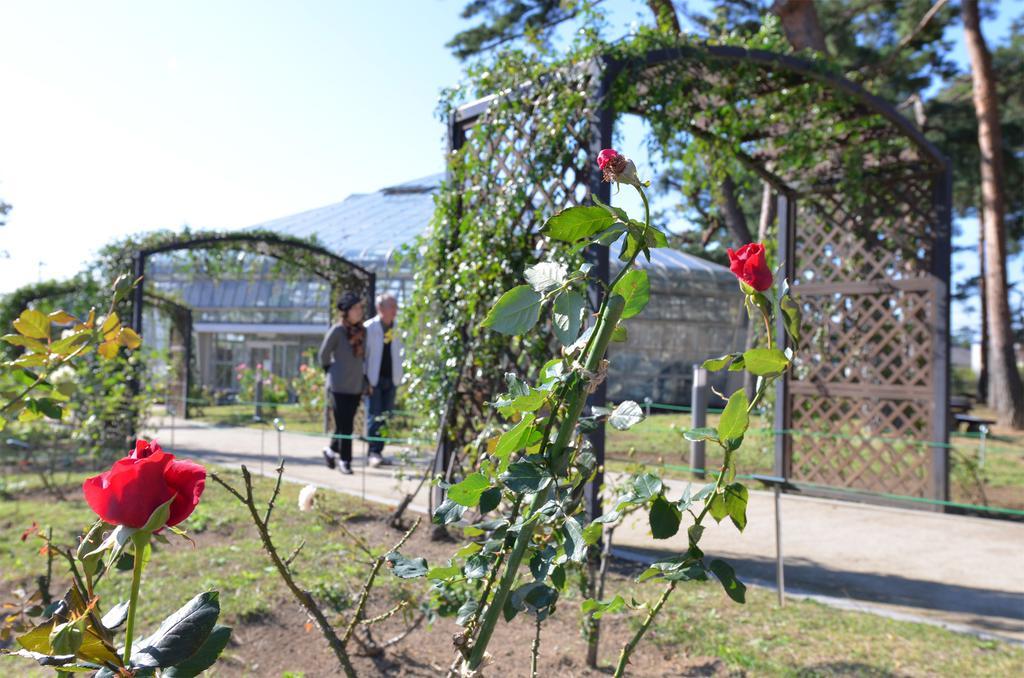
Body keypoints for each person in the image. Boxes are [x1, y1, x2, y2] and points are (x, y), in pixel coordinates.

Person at [319, 291, 367, 475]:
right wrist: (331, 371)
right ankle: (345, 461)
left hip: (355, 386)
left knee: (344, 424)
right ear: (346, 311)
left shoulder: (364, 332)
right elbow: (323, 354)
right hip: (338, 387)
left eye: (360, 308)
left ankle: (330, 450)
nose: (359, 311)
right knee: (345, 425)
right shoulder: (337, 331)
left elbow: (364, 359)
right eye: (355, 308)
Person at [364, 293, 403, 467]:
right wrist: (365, 381)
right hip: (374, 380)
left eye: (396, 306)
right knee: (374, 416)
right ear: (380, 308)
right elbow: (363, 357)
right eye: (392, 306)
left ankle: (379, 452)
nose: (395, 310)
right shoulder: (369, 328)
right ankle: (373, 453)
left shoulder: (398, 328)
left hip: (391, 379)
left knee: (386, 417)